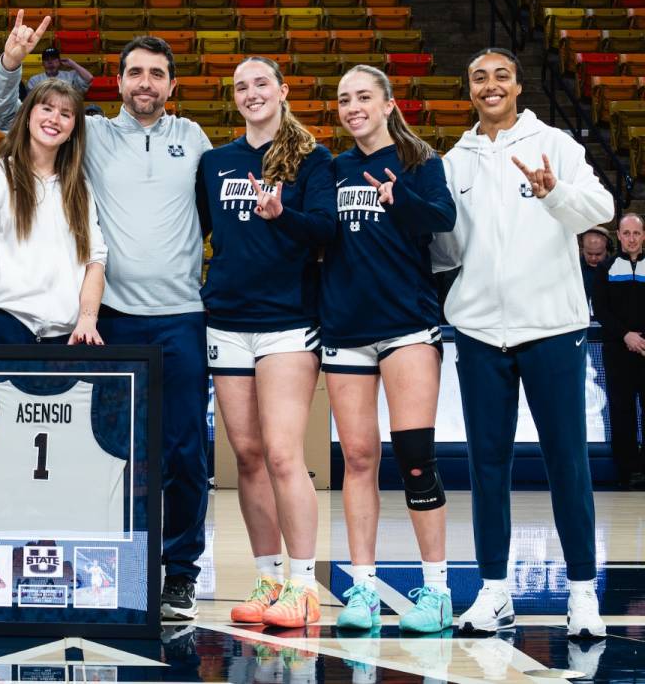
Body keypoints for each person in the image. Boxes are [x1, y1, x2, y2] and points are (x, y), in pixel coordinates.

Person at [0, 13, 212, 620]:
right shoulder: (90, 134)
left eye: (157, 74)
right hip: (107, 317)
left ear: (172, 85)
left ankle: (180, 573)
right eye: (135, 72)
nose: (146, 82)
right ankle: (110, 564)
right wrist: (11, 61)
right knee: (102, 450)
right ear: (117, 82)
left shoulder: (193, 139)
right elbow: (11, 119)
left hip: (181, 317)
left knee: (186, 450)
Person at [432, 47, 614, 639]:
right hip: (481, 331)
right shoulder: (452, 161)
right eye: (478, 77)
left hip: (553, 330)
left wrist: (554, 192)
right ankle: (493, 591)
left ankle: (583, 593)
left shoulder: (554, 144)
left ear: (517, 85)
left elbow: (602, 209)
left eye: (500, 76)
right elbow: (446, 250)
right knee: (487, 467)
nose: (490, 85)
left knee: (568, 463)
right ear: (469, 90)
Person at [194, 56, 334, 628]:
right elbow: (196, 232)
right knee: (247, 458)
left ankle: (303, 586)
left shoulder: (311, 158)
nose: (251, 93)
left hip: (287, 322)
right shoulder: (215, 162)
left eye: (261, 83)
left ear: (282, 89)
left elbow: (326, 230)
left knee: (282, 455)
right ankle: (268, 578)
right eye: (241, 86)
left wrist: (282, 215)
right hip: (225, 319)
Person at [324, 65, 456, 633]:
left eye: (363, 97)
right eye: (344, 100)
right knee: (357, 459)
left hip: (407, 325)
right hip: (346, 329)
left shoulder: (420, 161)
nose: (353, 107)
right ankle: (362, 590)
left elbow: (442, 220)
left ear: (387, 103)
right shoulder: (331, 169)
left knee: (416, 459)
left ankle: (437, 592)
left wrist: (397, 198)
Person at [0, 79, 106, 345]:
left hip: (64, 337)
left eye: (66, 114)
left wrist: (88, 318)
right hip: (1, 328)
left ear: (72, 130)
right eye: (46, 108)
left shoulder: (81, 188)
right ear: (27, 117)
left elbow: (95, 261)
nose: (55, 118)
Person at [592, 212, 645, 490]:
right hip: (618, 351)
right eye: (627, 233)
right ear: (619, 236)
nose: (632, 238)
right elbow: (600, 309)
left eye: (637, 233)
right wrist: (626, 335)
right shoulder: (607, 268)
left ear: (643, 236)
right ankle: (629, 472)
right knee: (621, 412)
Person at [26, 48, 94, 95]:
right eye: (47, 59)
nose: (50, 61)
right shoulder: (35, 80)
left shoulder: (70, 75)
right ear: (42, 63)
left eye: (53, 59)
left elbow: (89, 78)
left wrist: (73, 64)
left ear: (59, 61)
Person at [580, 226, 612, 309]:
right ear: (582, 249)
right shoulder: (573, 270)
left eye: (598, 254)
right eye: (589, 253)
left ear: (607, 249)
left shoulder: (617, 269)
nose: (593, 258)